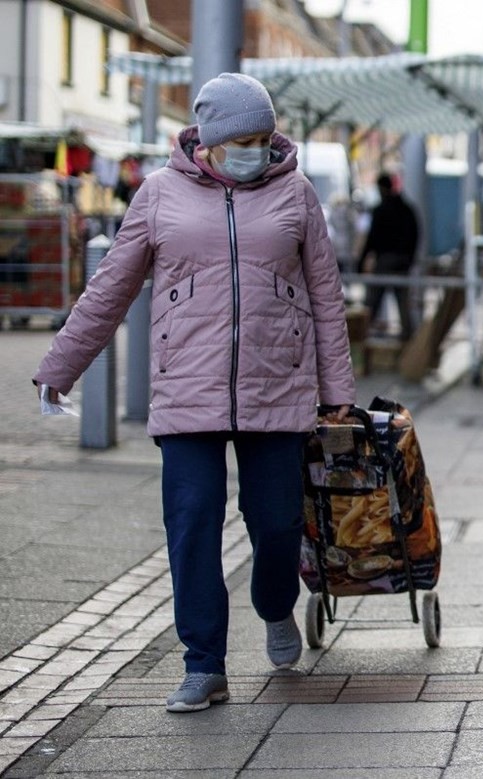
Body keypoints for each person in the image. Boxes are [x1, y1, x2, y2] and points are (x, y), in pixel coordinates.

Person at [33, 72, 356, 713]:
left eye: (265, 137)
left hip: (278, 385)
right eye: (244, 139)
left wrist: (336, 391)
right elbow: (110, 288)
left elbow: (326, 294)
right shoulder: (158, 195)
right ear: (208, 142)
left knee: (276, 522)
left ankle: (275, 607)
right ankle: (204, 664)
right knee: (191, 525)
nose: (257, 149)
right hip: (186, 387)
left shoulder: (297, 193)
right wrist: (59, 366)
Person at [357, 172, 420, 341]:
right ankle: (410, 341)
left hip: (385, 260)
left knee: (372, 302)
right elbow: (415, 235)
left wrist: (361, 261)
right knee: (403, 303)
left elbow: (372, 239)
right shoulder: (407, 209)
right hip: (402, 261)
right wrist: (410, 259)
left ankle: (360, 336)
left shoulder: (381, 210)